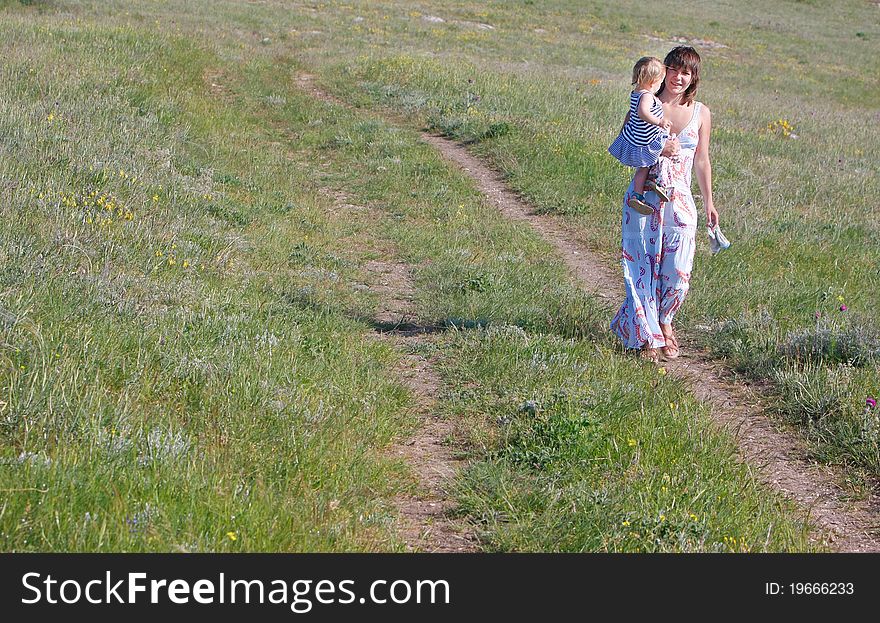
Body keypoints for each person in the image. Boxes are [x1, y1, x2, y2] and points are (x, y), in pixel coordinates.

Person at [610, 46, 719, 362]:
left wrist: (710, 203)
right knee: (641, 268)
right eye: (674, 69)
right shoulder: (647, 103)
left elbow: (702, 160)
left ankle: (665, 321)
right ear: (663, 70)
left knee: (678, 269)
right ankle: (650, 338)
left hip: (681, 200)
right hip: (645, 198)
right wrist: (658, 146)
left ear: (693, 78)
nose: (679, 77)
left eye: (687, 72)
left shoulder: (701, 113)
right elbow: (626, 143)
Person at [608, 57, 673, 215]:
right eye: (660, 82)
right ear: (653, 82)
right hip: (647, 137)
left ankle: (639, 193)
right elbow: (642, 112)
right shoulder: (647, 96)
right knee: (662, 150)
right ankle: (656, 182)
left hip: (638, 136)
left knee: (643, 168)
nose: (660, 86)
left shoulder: (636, 92)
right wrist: (659, 122)